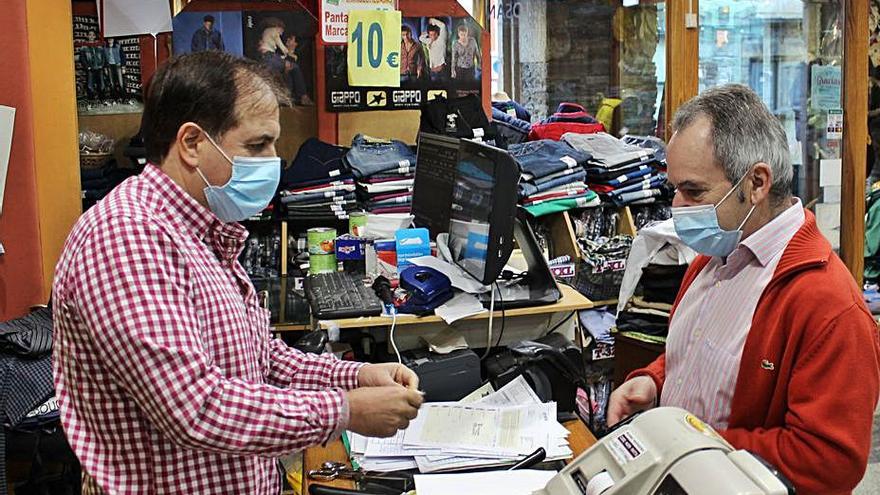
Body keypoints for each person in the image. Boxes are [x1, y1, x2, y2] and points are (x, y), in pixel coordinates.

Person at [52, 51, 423, 494]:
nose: (272, 161)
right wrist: (344, 410)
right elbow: (196, 408)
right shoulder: (127, 238)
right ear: (191, 143)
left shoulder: (202, 230)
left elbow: (258, 358)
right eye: (256, 145)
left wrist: (355, 376)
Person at [607, 84, 880, 495]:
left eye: (693, 190)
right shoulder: (714, 253)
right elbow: (704, 351)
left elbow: (829, 463)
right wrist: (655, 381)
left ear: (756, 183)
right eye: (675, 189)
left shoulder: (829, 307)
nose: (678, 207)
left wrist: (688, 445)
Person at [281, 32, 313, 106]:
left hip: (295, 87)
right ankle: (303, 96)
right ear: (287, 42)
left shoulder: (299, 57)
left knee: (295, 69)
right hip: (284, 81)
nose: (296, 44)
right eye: (294, 41)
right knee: (294, 69)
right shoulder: (280, 55)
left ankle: (302, 97)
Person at [79, 31, 106, 101]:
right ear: (87, 36)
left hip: (99, 68)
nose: (91, 36)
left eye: (93, 35)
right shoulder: (84, 47)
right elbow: (82, 58)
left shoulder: (99, 45)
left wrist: (102, 65)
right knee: (90, 85)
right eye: (90, 35)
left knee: (102, 85)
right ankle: (91, 100)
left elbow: (103, 57)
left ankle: (102, 99)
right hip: (90, 68)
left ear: (95, 36)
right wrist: (87, 67)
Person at [419, 18, 448, 82]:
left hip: (442, 71)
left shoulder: (441, 39)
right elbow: (421, 38)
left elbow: (443, 26)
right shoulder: (429, 41)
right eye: (431, 35)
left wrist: (433, 20)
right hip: (433, 72)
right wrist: (428, 32)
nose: (433, 36)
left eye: (435, 34)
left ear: (438, 33)